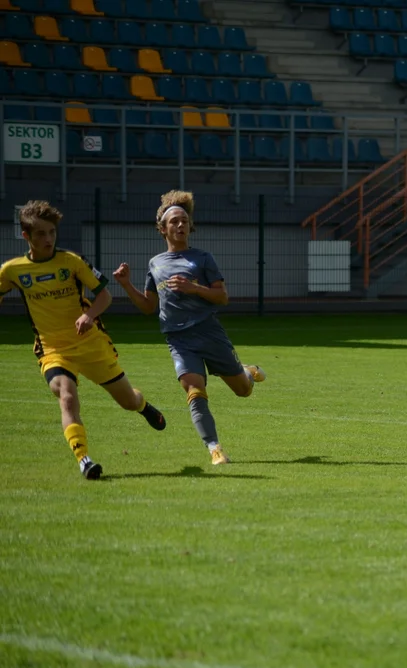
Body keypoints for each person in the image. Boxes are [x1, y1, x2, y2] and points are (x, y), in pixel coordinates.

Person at [0, 201, 166, 479]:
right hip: (52, 349)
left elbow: (104, 295)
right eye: (40, 233)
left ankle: (143, 406)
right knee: (66, 396)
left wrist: (89, 315)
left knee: (127, 400)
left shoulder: (71, 262)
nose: (48, 239)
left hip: (90, 344)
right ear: (26, 236)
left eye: (51, 232)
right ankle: (84, 460)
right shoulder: (12, 270)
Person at [112, 191, 265, 466]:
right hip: (179, 339)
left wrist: (193, 288)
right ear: (163, 229)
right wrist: (126, 285)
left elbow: (223, 297)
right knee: (194, 391)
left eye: (184, 220)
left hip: (209, 331)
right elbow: (149, 306)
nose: (180, 225)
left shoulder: (202, 258)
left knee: (243, 391)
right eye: (174, 222)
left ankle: (246, 372)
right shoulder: (155, 264)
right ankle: (215, 449)